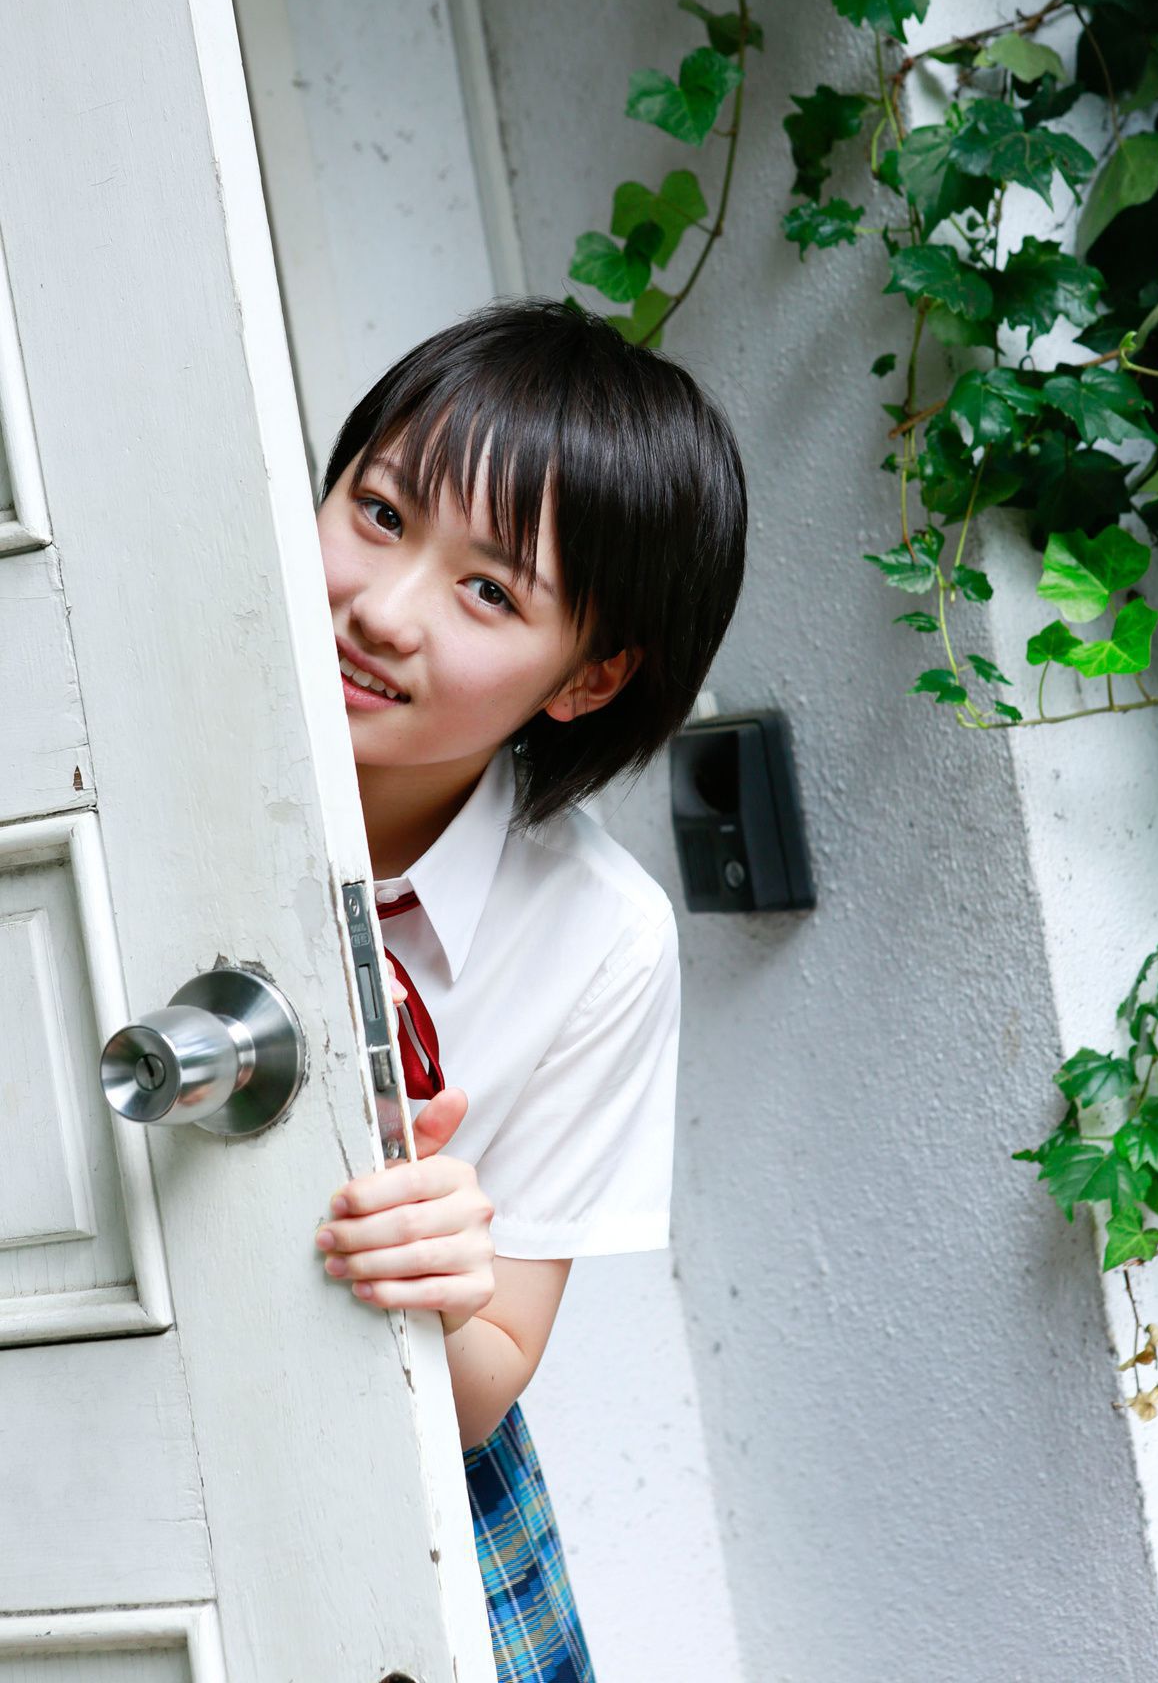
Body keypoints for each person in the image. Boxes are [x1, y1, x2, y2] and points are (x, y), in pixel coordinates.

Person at [311, 296, 746, 1682]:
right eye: (380, 513)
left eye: (489, 591)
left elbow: (489, 1376)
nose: (383, 611)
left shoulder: (601, 939)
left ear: (592, 676)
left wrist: (446, 1290)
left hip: (392, 1479)